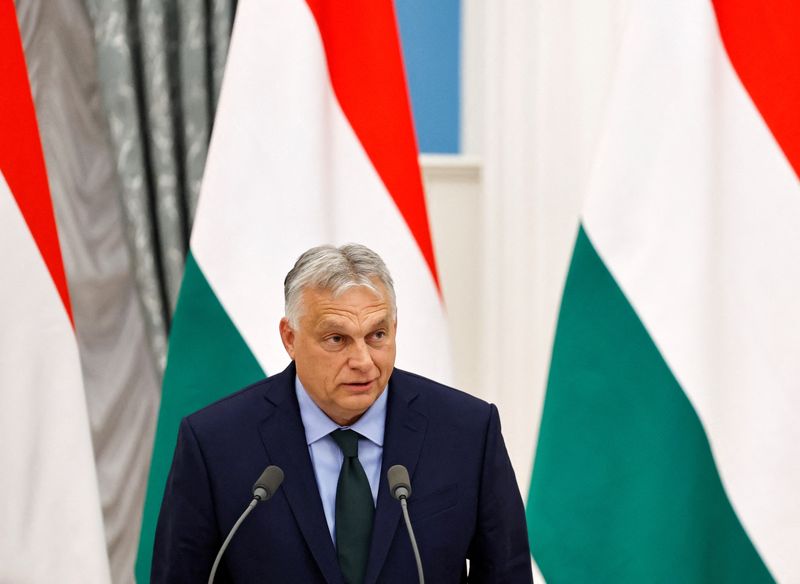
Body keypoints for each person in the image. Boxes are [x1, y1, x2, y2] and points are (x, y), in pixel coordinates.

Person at [151, 244, 533, 583]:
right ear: (290, 338)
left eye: (377, 336)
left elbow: (505, 574)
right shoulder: (215, 443)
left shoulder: (466, 432)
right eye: (337, 339)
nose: (363, 361)